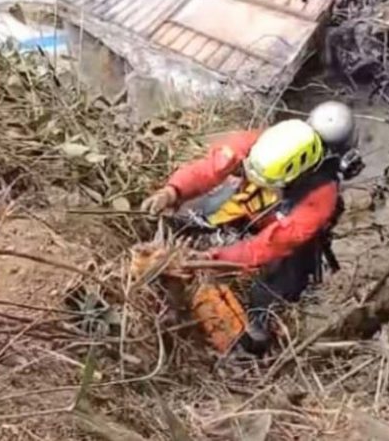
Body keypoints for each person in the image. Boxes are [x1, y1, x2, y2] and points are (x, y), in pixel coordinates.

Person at [140, 101, 362, 354]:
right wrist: (173, 191)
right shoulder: (262, 143)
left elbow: (271, 244)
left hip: (288, 228)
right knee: (202, 213)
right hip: (255, 201)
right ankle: (206, 223)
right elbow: (210, 167)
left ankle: (259, 327)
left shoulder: (319, 197)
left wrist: (216, 258)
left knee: (281, 282)